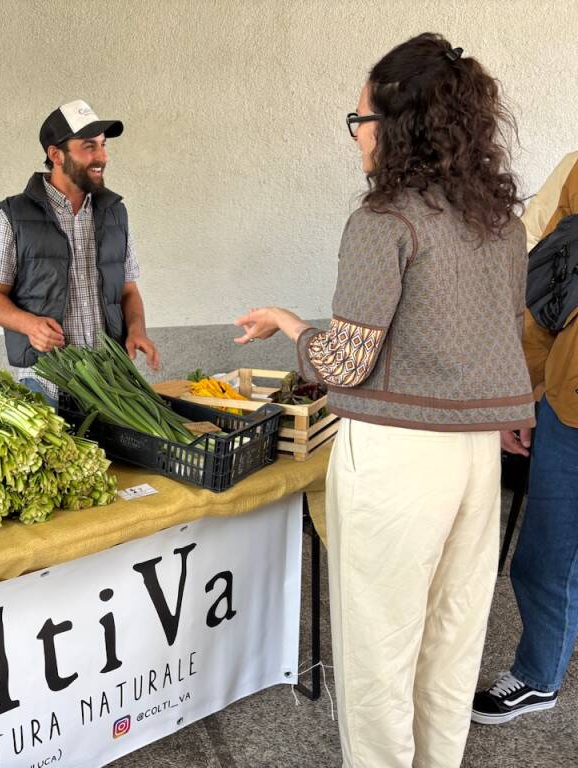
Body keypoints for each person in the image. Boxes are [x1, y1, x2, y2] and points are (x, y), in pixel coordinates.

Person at [233, 34, 533, 767]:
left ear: (398, 127)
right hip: (473, 460)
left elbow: (345, 362)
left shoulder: (384, 221)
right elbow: (500, 342)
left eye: (359, 119)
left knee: (378, 658)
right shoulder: (500, 223)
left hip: (396, 459)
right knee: (451, 644)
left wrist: (290, 325)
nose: (356, 135)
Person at [471, 150, 578, 725]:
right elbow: (548, 290)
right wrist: (524, 394)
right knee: (544, 557)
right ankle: (539, 676)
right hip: (570, 407)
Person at [0, 99, 160, 402]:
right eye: (89, 147)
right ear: (56, 154)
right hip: (47, 380)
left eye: (103, 146)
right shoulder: (12, 216)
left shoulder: (116, 213)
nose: (102, 156)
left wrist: (137, 330)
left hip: (109, 380)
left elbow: (128, 289)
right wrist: (30, 325)